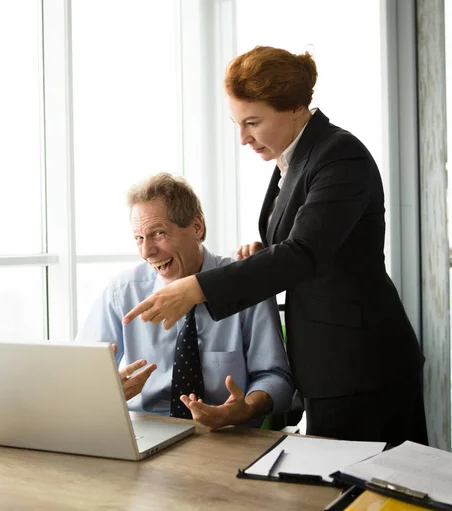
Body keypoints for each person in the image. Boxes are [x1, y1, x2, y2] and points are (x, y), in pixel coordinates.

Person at [123, 46, 428, 446]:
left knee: (374, 499)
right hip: (326, 364)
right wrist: (264, 249)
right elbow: (303, 244)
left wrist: (198, 287)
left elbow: (304, 252)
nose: (243, 138)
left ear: (297, 108)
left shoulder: (340, 156)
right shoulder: (292, 161)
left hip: (362, 362)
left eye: (252, 122)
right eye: (237, 123)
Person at [76, 172, 294, 430]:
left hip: (227, 435)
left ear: (196, 227)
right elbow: (80, 377)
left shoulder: (245, 284)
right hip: (145, 429)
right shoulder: (122, 292)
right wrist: (106, 391)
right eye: (139, 238)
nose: (147, 251)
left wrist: (246, 409)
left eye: (158, 233)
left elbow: (276, 377)